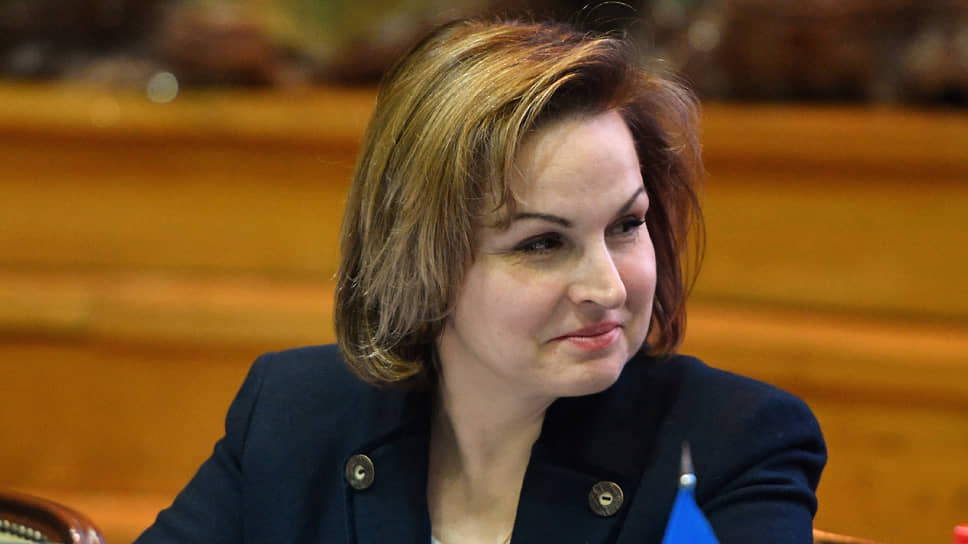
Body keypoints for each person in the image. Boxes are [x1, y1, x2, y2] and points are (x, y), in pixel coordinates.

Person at [135, 17, 825, 544]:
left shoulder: (731, 442)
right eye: (543, 243)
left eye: (626, 225)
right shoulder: (294, 415)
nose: (609, 288)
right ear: (421, 260)